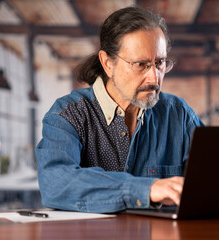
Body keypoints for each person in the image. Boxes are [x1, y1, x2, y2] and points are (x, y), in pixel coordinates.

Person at [36, 6, 204, 213]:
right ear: (107, 63)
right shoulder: (68, 114)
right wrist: (146, 189)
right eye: (141, 64)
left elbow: (216, 178)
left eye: (159, 63)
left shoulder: (179, 114)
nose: (154, 78)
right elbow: (56, 183)